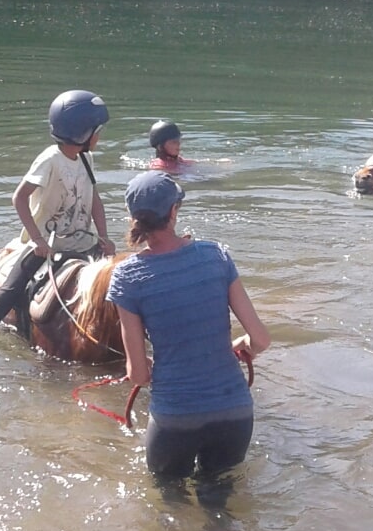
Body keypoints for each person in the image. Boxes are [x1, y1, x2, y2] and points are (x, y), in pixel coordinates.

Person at [105, 171, 270, 485]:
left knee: (169, 502)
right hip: (234, 413)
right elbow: (261, 339)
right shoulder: (216, 256)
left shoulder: (127, 277)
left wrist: (151, 366)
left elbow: (137, 375)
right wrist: (242, 345)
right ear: (173, 211)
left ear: (133, 217)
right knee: (220, 500)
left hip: (175, 419)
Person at [0, 90, 116, 341]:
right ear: (83, 133)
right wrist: (37, 240)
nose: (100, 136)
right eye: (98, 131)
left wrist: (104, 237)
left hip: (83, 242)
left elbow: (94, 200)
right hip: (47, 245)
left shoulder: (86, 158)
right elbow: (19, 198)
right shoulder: (50, 159)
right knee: (9, 291)